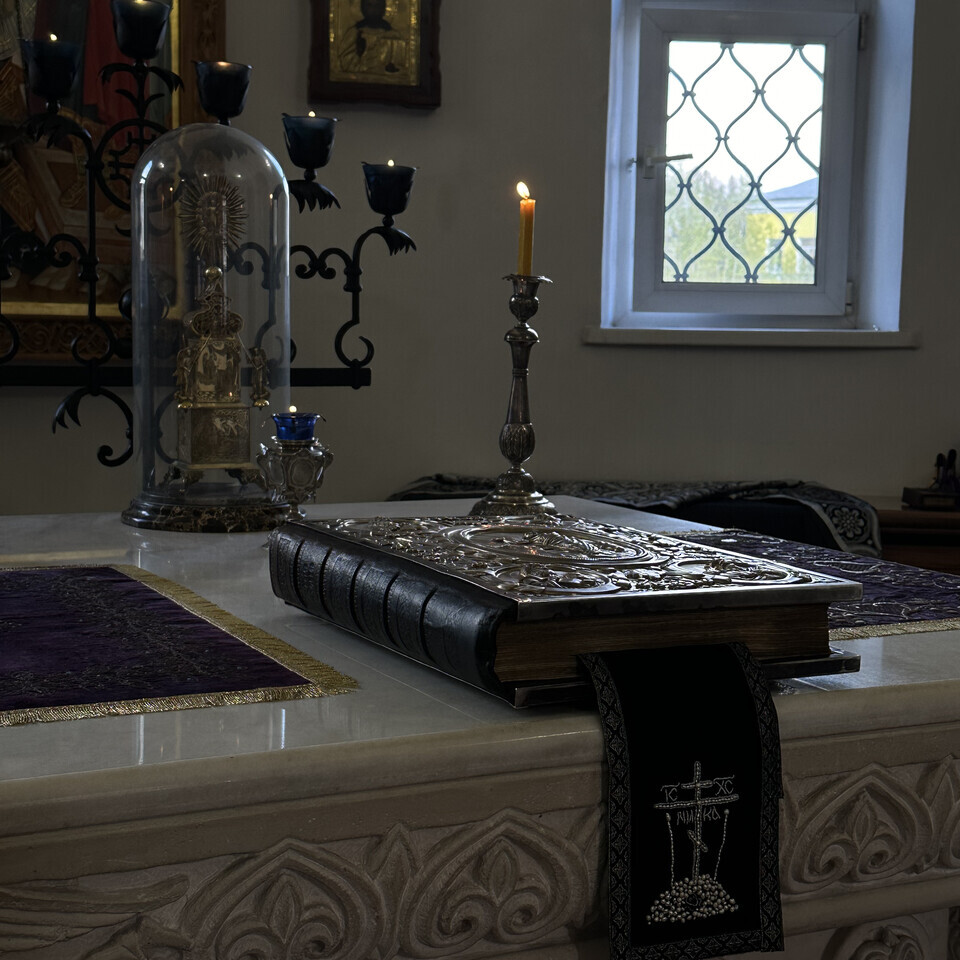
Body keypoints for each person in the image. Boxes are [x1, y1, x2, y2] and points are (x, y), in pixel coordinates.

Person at [337, 0, 406, 78]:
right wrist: (359, 54)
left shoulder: (393, 36)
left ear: (384, 8)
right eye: (369, 5)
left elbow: (401, 67)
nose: (373, 10)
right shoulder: (353, 34)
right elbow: (346, 65)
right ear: (362, 8)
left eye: (377, 5)